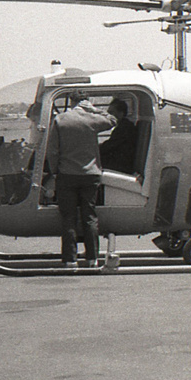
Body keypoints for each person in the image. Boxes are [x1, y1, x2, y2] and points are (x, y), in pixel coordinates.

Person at [46, 93, 117, 268]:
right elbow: (113, 120)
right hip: (90, 175)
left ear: (71, 102)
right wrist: (94, 110)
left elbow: (52, 150)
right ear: (86, 101)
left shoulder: (60, 119)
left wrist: (55, 172)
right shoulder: (92, 119)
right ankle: (92, 258)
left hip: (67, 174)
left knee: (68, 217)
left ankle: (70, 259)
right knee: (90, 216)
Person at [99, 98, 138, 174]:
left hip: (121, 165)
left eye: (111, 112)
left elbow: (110, 146)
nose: (108, 116)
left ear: (121, 113)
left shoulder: (124, 128)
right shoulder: (124, 125)